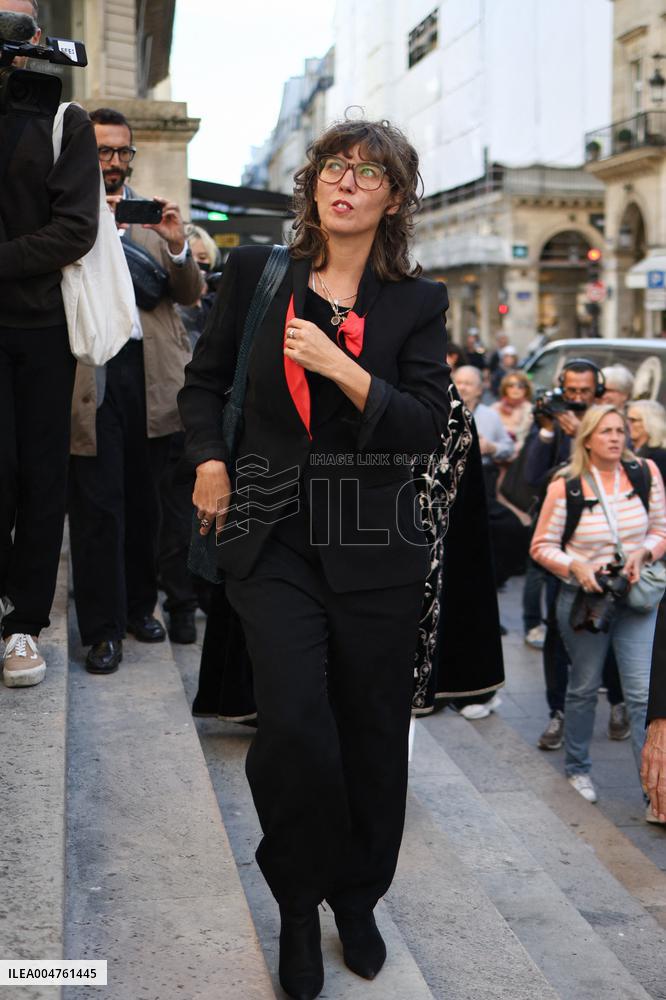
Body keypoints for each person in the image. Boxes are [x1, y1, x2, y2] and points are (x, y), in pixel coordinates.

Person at [179, 119, 451, 1000]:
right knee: (294, 724)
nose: (346, 182)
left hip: (374, 543)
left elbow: (421, 429)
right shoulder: (261, 275)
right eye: (335, 166)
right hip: (270, 531)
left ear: (393, 199)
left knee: (372, 734)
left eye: (368, 174)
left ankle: (358, 895)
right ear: (315, 182)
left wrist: (342, 365)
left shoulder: (417, 301)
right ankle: (298, 902)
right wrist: (210, 462)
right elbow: (204, 382)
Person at [68, 107, 201, 673]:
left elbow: (190, 292)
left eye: (123, 152)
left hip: (151, 379)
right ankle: (100, 630)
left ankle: (138, 608)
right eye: (103, 151)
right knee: (98, 508)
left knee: (147, 507)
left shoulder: (153, 218)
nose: (115, 163)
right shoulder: (65, 210)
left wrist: (174, 245)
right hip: (89, 377)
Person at [0, 0, 99, 687]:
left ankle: (22, 625)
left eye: (14, 25)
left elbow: (76, 229)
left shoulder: (65, 120)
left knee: (38, 478)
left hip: (38, 328)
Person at [531, 405, 666, 808]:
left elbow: (662, 528)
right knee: (585, 686)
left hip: (635, 595)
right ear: (587, 438)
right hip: (585, 602)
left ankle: (653, 789)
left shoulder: (644, 473)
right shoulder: (566, 485)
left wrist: (643, 553)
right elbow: (540, 547)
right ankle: (577, 767)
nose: (615, 437)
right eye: (605, 431)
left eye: (620, 430)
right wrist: (576, 565)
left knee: (643, 694)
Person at [523, 360, 628, 749]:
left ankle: (618, 703)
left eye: (587, 392)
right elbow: (533, 476)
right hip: (562, 550)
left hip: (609, 550)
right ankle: (558, 712)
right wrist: (550, 433)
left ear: (599, 391)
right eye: (572, 393)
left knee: (615, 628)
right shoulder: (554, 423)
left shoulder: (609, 424)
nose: (579, 399)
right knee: (558, 630)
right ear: (561, 390)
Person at [453, 365, 514, 482]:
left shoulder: (490, 415)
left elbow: (508, 448)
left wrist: (491, 447)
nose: (462, 387)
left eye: (468, 383)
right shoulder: (442, 413)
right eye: (458, 382)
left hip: (480, 476)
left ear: (479, 390)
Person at [492, 370, 533, 454]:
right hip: (494, 454)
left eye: (520, 386)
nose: (515, 389)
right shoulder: (495, 408)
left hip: (520, 457)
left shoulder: (531, 410)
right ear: (505, 388)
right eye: (511, 385)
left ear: (526, 389)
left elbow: (527, 439)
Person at [627, 399, 666, 484]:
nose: (627, 424)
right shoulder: (626, 449)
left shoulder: (660, 457)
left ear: (650, 423)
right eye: (627, 420)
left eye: (633, 420)